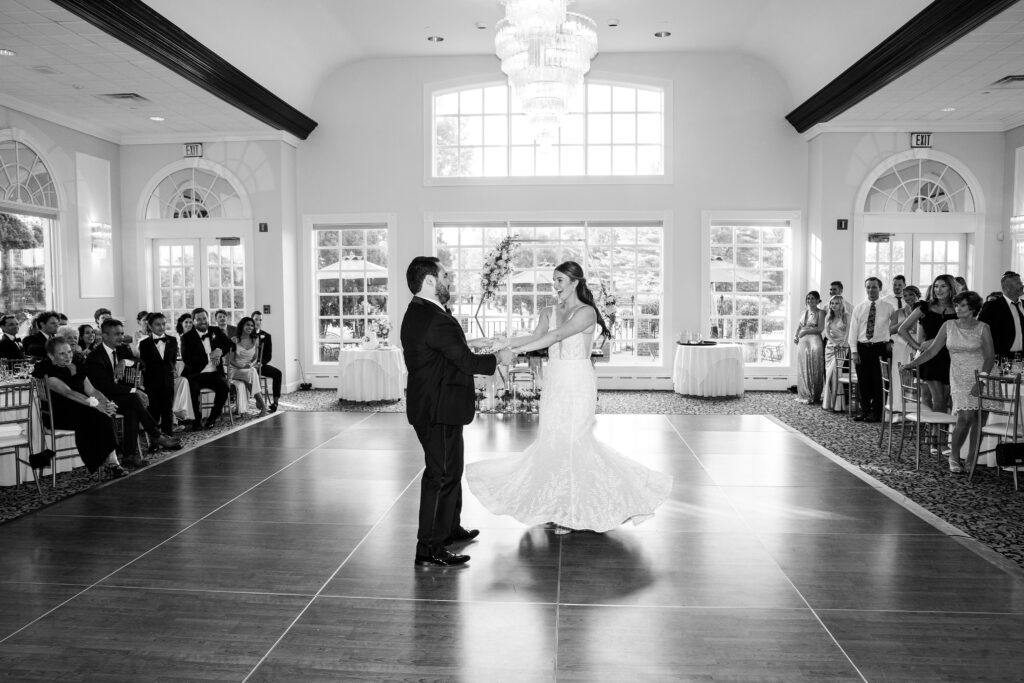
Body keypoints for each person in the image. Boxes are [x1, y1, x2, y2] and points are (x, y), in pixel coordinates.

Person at [466, 261, 673, 536]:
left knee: (575, 441)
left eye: (561, 280)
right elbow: (536, 335)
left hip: (578, 380)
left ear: (575, 282)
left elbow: (557, 335)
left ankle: (575, 510)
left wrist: (515, 353)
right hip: (556, 381)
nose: (556, 286)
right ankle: (555, 506)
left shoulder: (586, 312)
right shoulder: (548, 310)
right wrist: (502, 343)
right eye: (554, 281)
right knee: (553, 440)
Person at [400, 256, 511, 568]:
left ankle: (449, 528)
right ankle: (429, 547)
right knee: (441, 475)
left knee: (451, 470)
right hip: (438, 410)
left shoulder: (420, 312)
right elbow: (468, 363)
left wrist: (475, 342)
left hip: (437, 406)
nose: (450, 280)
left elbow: (446, 352)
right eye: (445, 275)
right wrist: (498, 357)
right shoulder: (436, 318)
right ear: (431, 281)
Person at [903, 291, 994, 473]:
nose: (957, 308)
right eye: (957, 305)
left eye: (962, 305)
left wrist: (982, 381)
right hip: (959, 377)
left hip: (981, 375)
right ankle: (954, 455)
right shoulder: (948, 325)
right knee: (965, 417)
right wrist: (911, 364)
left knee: (978, 420)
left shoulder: (983, 328)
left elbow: (990, 357)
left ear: (973, 308)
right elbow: (931, 351)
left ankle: (971, 458)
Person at [86, 318, 181, 466]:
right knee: (133, 399)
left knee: (132, 409)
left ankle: (129, 455)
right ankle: (155, 434)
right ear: (104, 336)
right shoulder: (95, 357)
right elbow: (104, 386)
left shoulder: (122, 349)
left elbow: (141, 363)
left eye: (122, 333)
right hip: (102, 398)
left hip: (120, 397)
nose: (121, 337)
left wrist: (124, 362)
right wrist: (134, 390)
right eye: (117, 334)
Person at [32, 337, 128, 478]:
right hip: (60, 413)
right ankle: (111, 463)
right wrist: (96, 405)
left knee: (105, 413)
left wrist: (107, 403)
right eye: (62, 354)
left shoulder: (78, 365)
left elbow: (92, 391)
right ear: (51, 356)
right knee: (99, 415)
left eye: (69, 352)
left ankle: (112, 462)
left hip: (82, 407)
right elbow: (68, 392)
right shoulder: (46, 371)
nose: (68, 356)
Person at [899, 274, 958, 412]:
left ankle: (935, 431)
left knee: (947, 399)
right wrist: (918, 347)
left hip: (950, 357)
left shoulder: (958, 309)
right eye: (936, 286)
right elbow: (902, 329)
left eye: (943, 286)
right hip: (930, 358)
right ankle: (936, 434)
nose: (938, 290)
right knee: (938, 399)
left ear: (951, 288)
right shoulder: (925, 307)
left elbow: (961, 333)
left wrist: (937, 340)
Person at [848, 277, 895, 422]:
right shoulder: (859, 308)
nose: (871, 290)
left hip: (880, 349)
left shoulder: (888, 308)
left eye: (874, 287)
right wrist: (854, 351)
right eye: (868, 287)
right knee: (863, 382)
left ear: (879, 289)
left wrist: (890, 341)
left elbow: (895, 327)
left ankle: (877, 413)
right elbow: (853, 331)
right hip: (862, 348)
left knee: (879, 382)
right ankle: (864, 411)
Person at [180, 307, 232, 430]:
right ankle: (196, 421)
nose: (203, 321)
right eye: (199, 319)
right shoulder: (186, 337)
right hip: (195, 374)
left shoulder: (215, 331)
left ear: (208, 318)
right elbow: (187, 359)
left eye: (204, 318)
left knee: (224, 388)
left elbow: (229, 344)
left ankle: (212, 419)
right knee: (192, 389)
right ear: (193, 321)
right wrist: (209, 356)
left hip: (214, 373)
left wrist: (219, 351)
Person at [138, 312, 178, 437]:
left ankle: (168, 437)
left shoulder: (172, 340)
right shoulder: (144, 344)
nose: (161, 327)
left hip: (167, 380)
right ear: (149, 326)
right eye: (157, 324)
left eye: (163, 324)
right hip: (152, 382)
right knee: (153, 411)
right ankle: (155, 440)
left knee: (167, 410)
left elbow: (172, 361)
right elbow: (144, 365)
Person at [888, 285, 921, 411]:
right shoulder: (898, 312)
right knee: (898, 376)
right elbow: (891, 330)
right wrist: (907, 321)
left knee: (915, 379)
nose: (908, 298)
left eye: (911, 295)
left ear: (918, 295)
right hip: (900, 347)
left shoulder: (923, 311)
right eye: (905, 296)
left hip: (917, 346)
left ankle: (915, 411)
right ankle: (897, 409)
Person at [978, 271, 1024, 360]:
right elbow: (981, 332)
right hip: (1002, 358)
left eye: (1021, 283)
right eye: (1018, 283)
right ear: (1006, 288)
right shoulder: (992, 306)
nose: (1022, 286)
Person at [227, 316, 267, 415]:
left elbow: (255, 359)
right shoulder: (235, 340)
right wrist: (241, 367)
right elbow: (230, 360)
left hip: (248, 369)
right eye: (247, 325)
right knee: (252, 372)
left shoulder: (255, 340)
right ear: (242, 326)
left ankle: (260, 402)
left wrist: (250, 365)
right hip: (235, 369)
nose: (250, 327)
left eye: (252, 325)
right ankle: (262, 405)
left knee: (251, 371)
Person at [794, 291, 825, 404]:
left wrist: (805, 332)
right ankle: (803, 394)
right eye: (808, 298)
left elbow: (820, 329)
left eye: (812, 298)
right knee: (803, 366)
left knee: (814, 367)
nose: (810, 301)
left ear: (817, 300)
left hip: (815, 342)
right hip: (803, 342)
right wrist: (796, 336)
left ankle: (813, 395)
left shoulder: (821, 312)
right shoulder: (804, 312)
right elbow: (799, 326)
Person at [821, 295, 849, 412]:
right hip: (830, 347)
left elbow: (849, 332)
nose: (833, 305)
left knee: (836, 373)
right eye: (832, 303)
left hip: (842, 347)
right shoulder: (829, 316)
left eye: (836, 303)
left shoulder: (847, 316)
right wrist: (833, 342)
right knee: (829, 374)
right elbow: (826, 333)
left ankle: (838, 404)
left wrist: (843, 343)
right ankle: (830, 403)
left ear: (841, 304)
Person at [252, 310, 281, 412]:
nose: (258, 322)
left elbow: (268, 356)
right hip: (248, 366)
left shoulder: (267, 336)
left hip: (261, 366)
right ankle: (258, 400)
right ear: (251, 320)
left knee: (278, 373)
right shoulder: (245, 335)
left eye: (260, 320)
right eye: (256, 319)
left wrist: (261, 363)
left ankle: (275, 403)